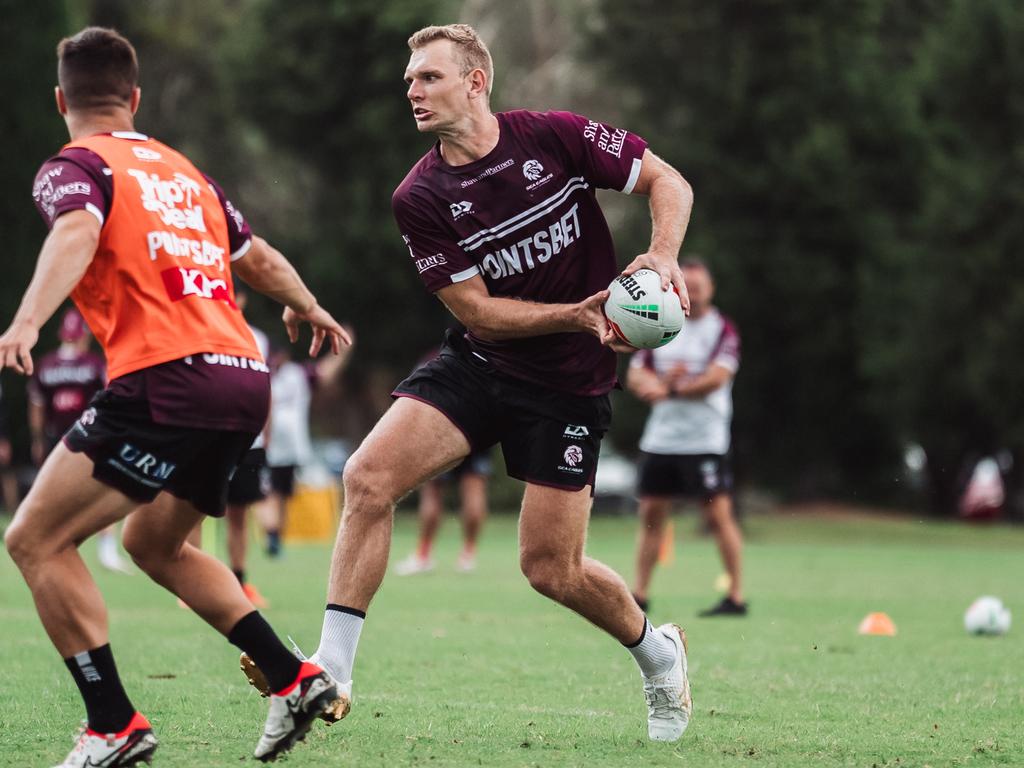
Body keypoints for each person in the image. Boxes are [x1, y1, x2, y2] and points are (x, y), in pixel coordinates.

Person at [240, 24, 695, 742]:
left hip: (570, 385)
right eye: (410, 81)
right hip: (484, 360)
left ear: (476, 82)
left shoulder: (556, 137)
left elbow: (669, 180)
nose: (414, 91)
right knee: (367, 478)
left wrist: (662, 254)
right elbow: (477, 309)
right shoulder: (419, 196)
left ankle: (658, 652)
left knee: (551, 569)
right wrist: (577, 313)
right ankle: (330, 669)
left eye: (430, 78)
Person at [2, 27, 350, 766]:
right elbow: (257, 257)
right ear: (134, 98)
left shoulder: (76, 165)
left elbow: (75, 231)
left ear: (62, 99)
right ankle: (292, 678)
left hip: (166, 376)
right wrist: (310, 305)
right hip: (242, 377)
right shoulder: (187, 174)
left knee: (33, 539)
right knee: (154, 543)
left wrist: (28, 318)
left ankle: (111, 725)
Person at [626, 258, 747, 617]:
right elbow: (636, 376)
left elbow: (717, 377)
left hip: (704, 440)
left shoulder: (722, 329)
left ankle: (735, 596)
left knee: (718, 516)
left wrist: (673, 390)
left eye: (699, 286)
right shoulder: (662, 323)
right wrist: (660, 386)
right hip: (661, 439)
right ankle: (640, 595)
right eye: (687, 285)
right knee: (651, 514)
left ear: (711, 289)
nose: (692, 291)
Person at [29, 307, 132, 574]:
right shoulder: (95, 364)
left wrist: (37, 438)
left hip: (56, 436)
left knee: (53, 495)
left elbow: (37, 406)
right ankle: (104, 550)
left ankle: (47, 542)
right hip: (90, 434)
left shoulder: (46, 364)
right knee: (104, 487)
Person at [394, 448, 491, 574]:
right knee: (474, 488)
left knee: (432, 491)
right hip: (478, 437)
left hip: (446, 434)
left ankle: (423, 555)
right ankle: (467, 557)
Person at [261, 344, 314, 557]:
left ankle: (276, 536)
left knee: (280, 493)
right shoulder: (268, 373)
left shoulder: (295, 374)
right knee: (271, 492)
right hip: (273, 446)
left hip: (288, 446)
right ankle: (273, 534)